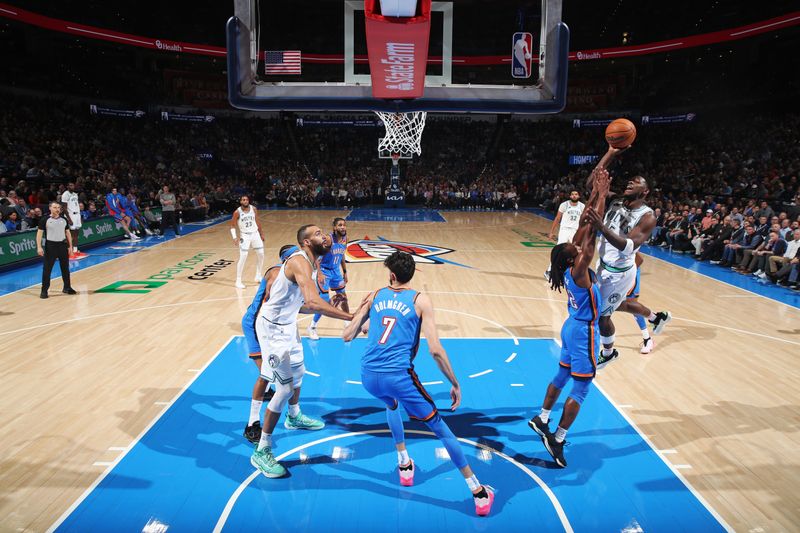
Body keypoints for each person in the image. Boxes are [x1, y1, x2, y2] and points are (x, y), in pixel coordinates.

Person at [343, 251, 495, 517]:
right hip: (398, 376)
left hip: (368, 376)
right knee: (440, 427)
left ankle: (404, 464)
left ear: (391, 275)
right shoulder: (420, 300)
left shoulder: (375, 294)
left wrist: (364, 318)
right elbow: (435, 350)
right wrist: (455, 383)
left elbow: (348, 335)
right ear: (412, 274)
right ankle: (478, 492)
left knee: (391, 406)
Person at [250, 225, 354, 478]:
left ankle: (294, 416)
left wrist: (331, 305)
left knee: (299, 373)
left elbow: (301, 306)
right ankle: (262, 451)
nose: (325, 236)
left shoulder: (312, 263)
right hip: (272, 331)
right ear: (306, 242)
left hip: (287, 325)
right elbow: (310, 301)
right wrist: (351, 317)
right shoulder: (300, 262)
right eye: (318, 234)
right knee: (284, 388)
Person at [528, 166, 609, 468]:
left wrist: (592, 197)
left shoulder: (566, 265)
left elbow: (585, 226)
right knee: (582, 386)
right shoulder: (578, 269)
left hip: (570, 327)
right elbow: (592, 235)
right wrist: (601, 195)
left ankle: (542, 418)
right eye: (574, 247)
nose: (577, 243)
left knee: (562, 374)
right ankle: (558, 437)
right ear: (572, 258)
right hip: (584, 331)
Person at [584, 146, 671, 368]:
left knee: (601, 314)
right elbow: (591, 186)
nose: (630, 183)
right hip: (605, 264)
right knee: (618, 305)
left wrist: (600, 226)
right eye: (630, 180)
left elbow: (627, 246)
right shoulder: (617, 201)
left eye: (636, 182)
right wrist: (610, 153)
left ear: (645, 192)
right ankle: (656, 317)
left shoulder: (647, 217)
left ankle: (608, 351)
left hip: (620, 273)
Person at [241, 245, 297, 444]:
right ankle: (251, 424)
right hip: (256, 324)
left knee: (271, 376)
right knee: (265, 375)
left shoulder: (293, 274)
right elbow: (272, 297)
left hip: (270, 327)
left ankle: (269, 395)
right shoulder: (276, 272)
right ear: (287, 260)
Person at [308, 217, 349, 338]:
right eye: (340, 225)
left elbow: (341, 255)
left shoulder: (345, 239)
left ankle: (348, 321)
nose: (342, 227)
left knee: (343, 297)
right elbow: (316, 255)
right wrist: (319, 272)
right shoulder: (327, 239)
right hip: (324, 271)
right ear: (334, 227)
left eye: (344, 225)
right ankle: (312, 327)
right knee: (325, 301)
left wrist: (345, 271)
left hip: (336, 270)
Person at [36, 202, 77, 299]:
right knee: (47, 269)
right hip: (51, 246)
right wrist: (39, 247)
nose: (57, 209)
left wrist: (70, 247)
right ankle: (44, 290)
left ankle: (67, 287)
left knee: (65, 268)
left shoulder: (64, 219)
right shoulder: (45, 220)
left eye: (58, 207)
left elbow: (68, 233)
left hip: (62, 245)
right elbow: (39, 234)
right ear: (50, 208)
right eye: (55, 207)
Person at [545, 190, 585, 281]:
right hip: (564, 230)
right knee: (559, 252)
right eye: (572, 194)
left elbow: (584, 221)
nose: (574, 196)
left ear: (579, 196)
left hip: (575, 231)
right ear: (570, 196)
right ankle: (549, 271)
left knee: (576, 252)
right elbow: (557, 218)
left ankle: (573, 273)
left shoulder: (582, 206)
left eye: (576, 194)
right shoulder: (564, 205)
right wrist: (551, 231)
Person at [231, 195, 265, 289]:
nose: (245, 201)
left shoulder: (254, 209)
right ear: (240, 201)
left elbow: (257, 222)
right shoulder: (237, 212)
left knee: (261, 254)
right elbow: (232, 226)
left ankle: (258, 276)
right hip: (244, 235)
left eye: (246, 199)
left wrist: (261, 233)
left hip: (255, 234)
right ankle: (238, 281)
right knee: (243, 256)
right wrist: (234, 237)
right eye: (243, 200)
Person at [627, 254, 654, 354]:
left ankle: (647, 339)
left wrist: (629, 274)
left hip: (629, 273)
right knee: (605, 304)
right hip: (615, 271)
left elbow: (640, 258)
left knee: (632, 305)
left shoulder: (629, 239)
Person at [61, 182, 87, 259]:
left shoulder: (75, 194)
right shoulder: (65, 194)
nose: (72, 186)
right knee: (70, 235)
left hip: (77, 215)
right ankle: (69, 251)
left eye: (73, 185)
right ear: (67, 186)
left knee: (76, 234)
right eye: (70, 185)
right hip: (71, 215)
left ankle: (75, 251)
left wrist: (80, 217)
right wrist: (69, 218)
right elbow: (64, 208)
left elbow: (77, 206)